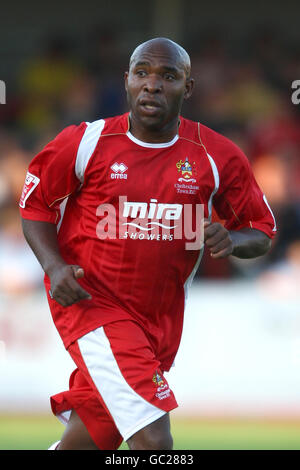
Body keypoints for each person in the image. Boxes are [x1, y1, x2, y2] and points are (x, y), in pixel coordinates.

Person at [19, 37, 276, 450]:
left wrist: (233, 241)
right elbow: (35, 206)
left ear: (187, 88)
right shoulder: (86, 142)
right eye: (142, 73)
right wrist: (53, 266)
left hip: (159, 323)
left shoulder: (216, 155)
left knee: (88, 442)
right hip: (92, 306)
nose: (152, 85)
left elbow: (262, 230)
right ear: (127, 81)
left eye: (168, 76)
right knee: (155, 442)